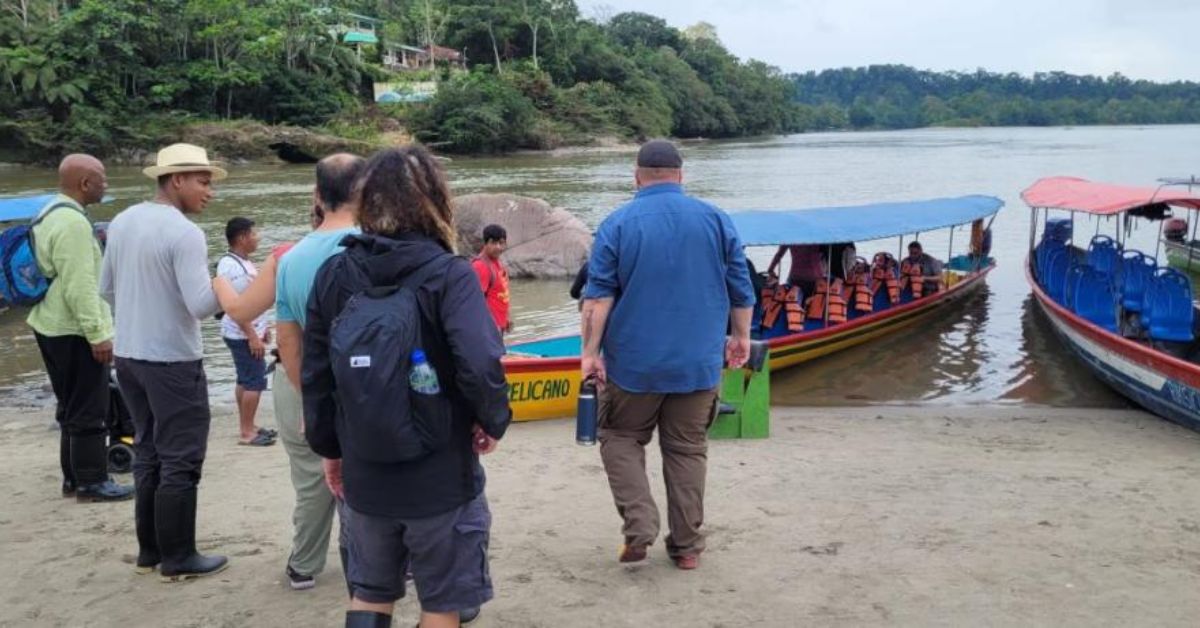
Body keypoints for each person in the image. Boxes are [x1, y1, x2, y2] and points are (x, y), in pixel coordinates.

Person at [304, 146, 510, 628]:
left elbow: (316, 376)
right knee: (441, 601)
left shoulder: (335, 272)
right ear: (436, 201)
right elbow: (480, 363)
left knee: (371, 593)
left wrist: (329, 448)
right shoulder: (448, 274)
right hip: (440, 472)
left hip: (365, 468)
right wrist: (493, 419)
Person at [581, 139, 754, 571]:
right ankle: (687, 547)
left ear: (636, 175)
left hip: (634, 366)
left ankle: (640, 524)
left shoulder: (617, 223)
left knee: (620, 437)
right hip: (697, 364)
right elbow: (741, 288)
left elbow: (596, 298)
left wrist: (589, 354)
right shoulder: (716, 219)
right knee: (687, 450)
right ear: (680, 175)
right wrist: (741, 338)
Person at [216, 153, 364, 592]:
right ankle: (364, 561)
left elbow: (289, 339)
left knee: (311, 479)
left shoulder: (289, 258)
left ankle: (303, 565)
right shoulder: (384, 249)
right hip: (367, 387)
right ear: (368, 192)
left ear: (318, 196)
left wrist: (309, 397)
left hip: (300, 384)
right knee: (364, 477)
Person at [99, 143, 228, 581]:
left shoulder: (122, 220)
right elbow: (199, 305)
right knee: (182, 459)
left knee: (149, 451)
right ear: (177, 180)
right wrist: (224, 286)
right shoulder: (184, 233)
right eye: (203, 181)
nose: (209, 192)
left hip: (130, 356)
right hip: (172, 360)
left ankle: (149, 551)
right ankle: (179, 557)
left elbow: (107, 289)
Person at [27, 154, 133, 503]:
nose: (107, 183)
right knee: (90, 407)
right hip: (72, 328)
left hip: (49, 323)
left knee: (70, 405)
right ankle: (91, 482)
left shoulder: (49, 212)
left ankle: (73, 478)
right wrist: (99, 333)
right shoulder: (72, 224)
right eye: (102, 178)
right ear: (85, 183)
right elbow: (80, 286)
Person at [217, 217, 275, 447]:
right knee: (255, 382)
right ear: (242, 238)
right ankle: (246, 432)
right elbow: (239, 307)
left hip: (245, 330)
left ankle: (248, 423)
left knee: (244, 378)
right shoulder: (234, 268)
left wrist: (264, 326)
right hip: (242, 333)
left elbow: (253, 301)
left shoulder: (238, 261)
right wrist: (253, 336)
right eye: (253, 233)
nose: (257, 237)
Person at [471, 224, 512, 334]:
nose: (498, 247)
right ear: (485, 243)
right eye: (493, 243)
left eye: (501, 243)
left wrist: (507, 316)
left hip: (499, 324)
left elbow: (501, 292)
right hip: (489, 328)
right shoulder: (480, 266)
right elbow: (476, 301)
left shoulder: (498, 263)